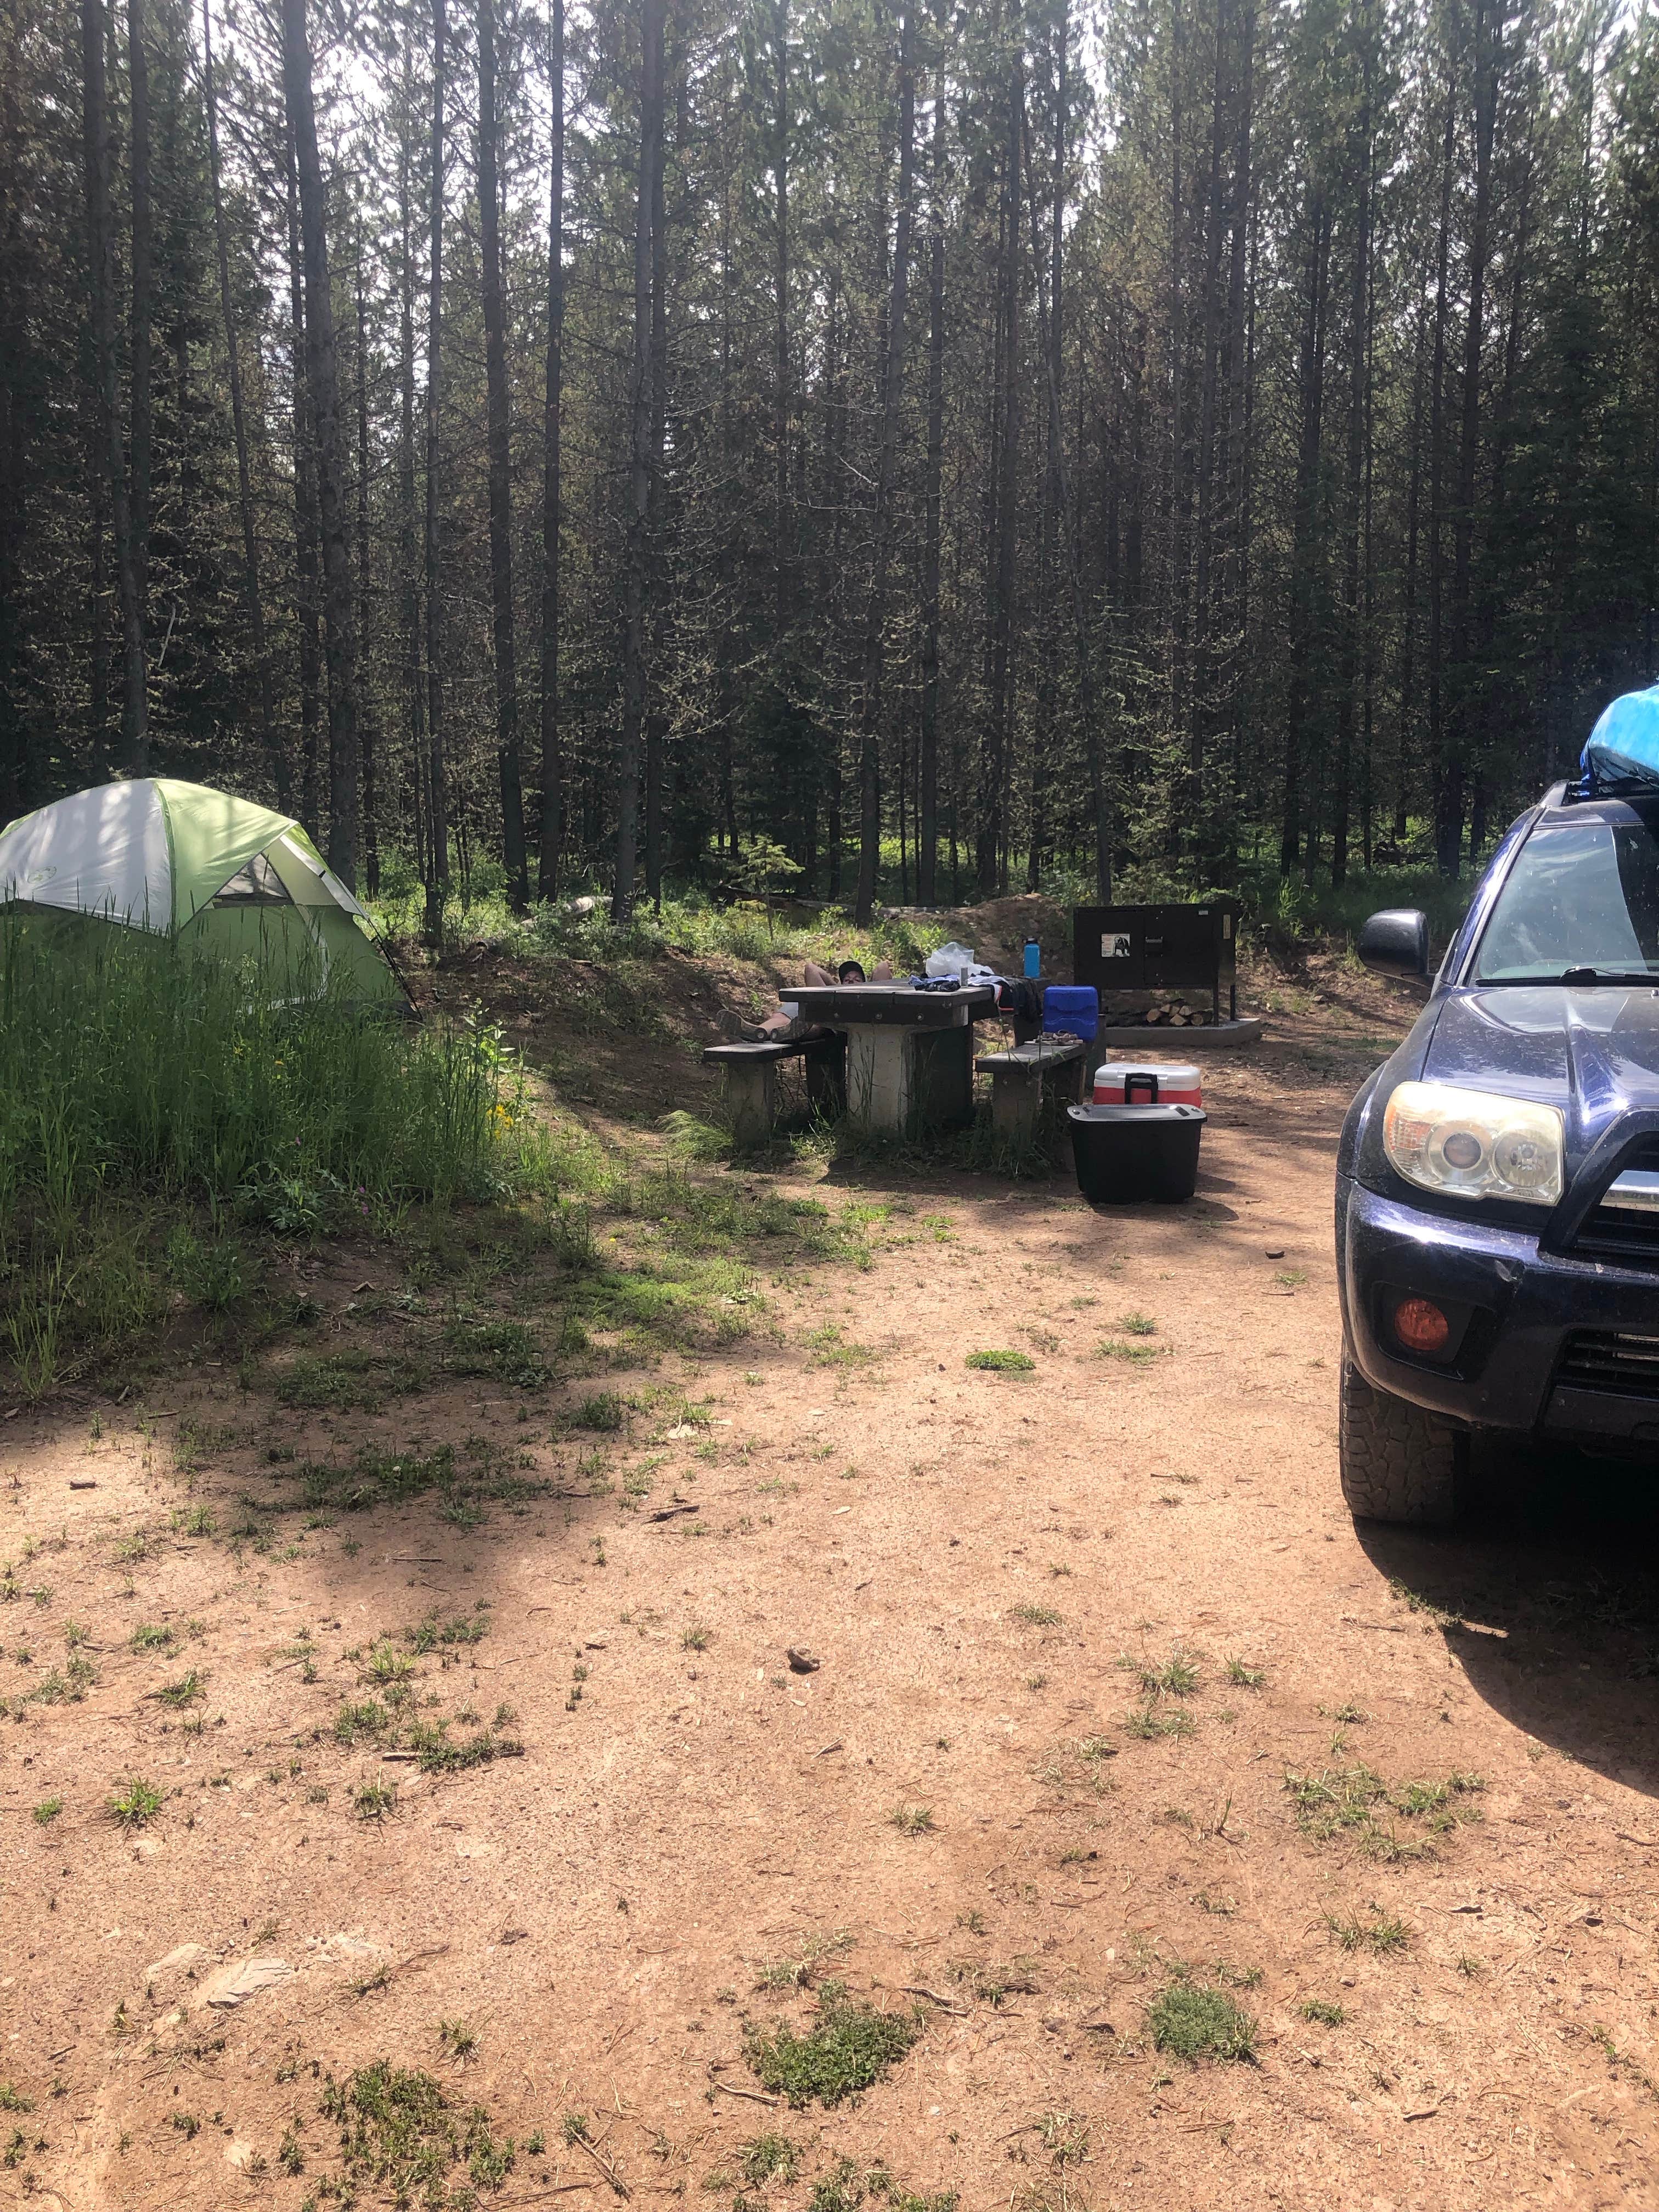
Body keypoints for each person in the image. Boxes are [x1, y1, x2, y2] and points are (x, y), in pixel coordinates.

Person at [741, 958, 895, 1041]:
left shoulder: (870, 997)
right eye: (847, 980)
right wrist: (836, 990)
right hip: (829, 1012)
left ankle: (785, 1034)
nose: (852, 981)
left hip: (850, 1023)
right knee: (785, 1014)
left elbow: (882, 967)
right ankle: (759, 1031)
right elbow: (811, 969)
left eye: (857, 979)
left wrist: (866, 988)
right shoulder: (836, 994)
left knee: (817, 1024)